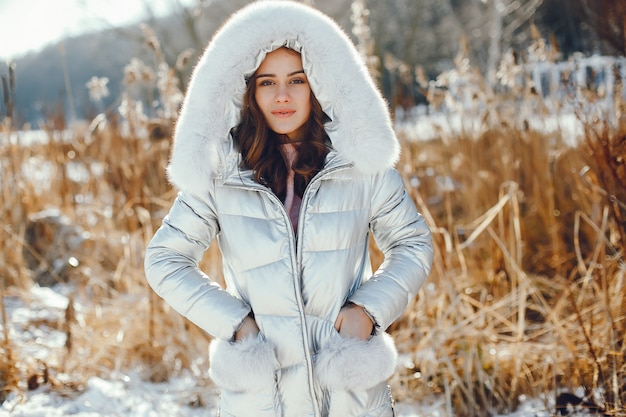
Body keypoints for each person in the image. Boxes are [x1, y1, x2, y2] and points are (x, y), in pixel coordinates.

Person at [144, 1, 433, 416]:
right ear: (248, 91)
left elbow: (413, 243)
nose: (282, 95)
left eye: (296, 80)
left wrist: (367, 310)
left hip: (349, 395)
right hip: (264, 399)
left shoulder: (360, 167)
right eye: (267, 82)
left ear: (317, 84)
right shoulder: (223, 175)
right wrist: (237, 325)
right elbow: (164, 259)